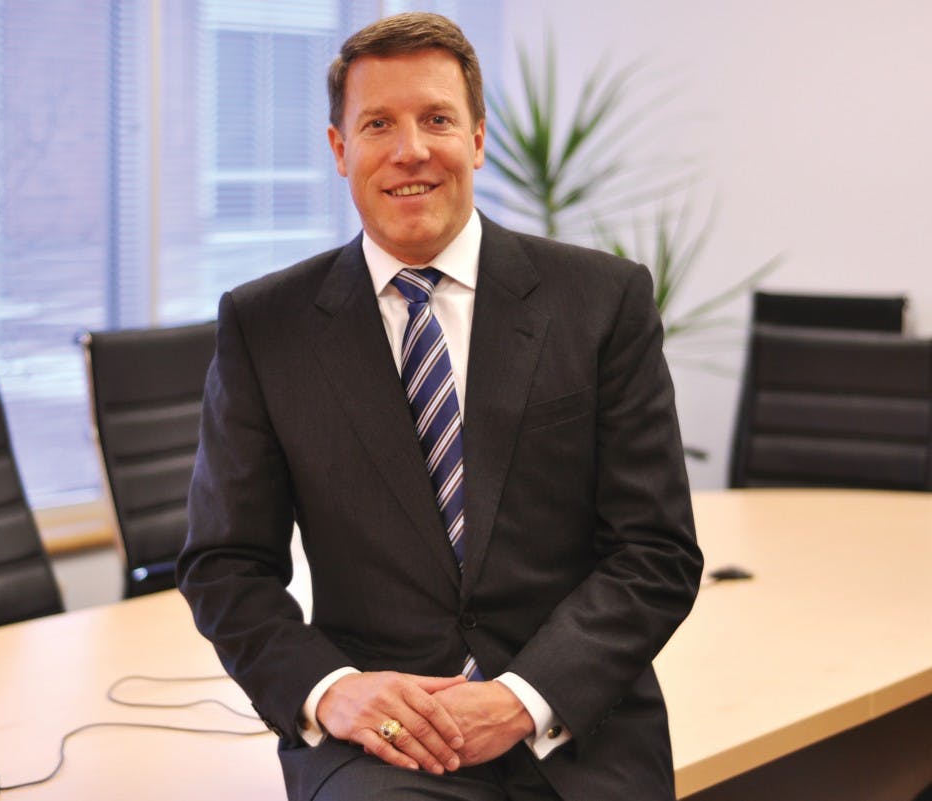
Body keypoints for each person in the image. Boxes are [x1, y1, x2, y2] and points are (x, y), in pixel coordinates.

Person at [177, 11, 702, 801]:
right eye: (378, 124)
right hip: (380, 744)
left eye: (437, 120)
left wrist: (520, 699)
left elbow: (655, 552)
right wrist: (331, 689)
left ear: (478, 139)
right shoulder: (266, 326)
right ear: (339, 150)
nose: (410, 150)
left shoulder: (602, 301)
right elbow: (225, 564)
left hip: (575, 733)